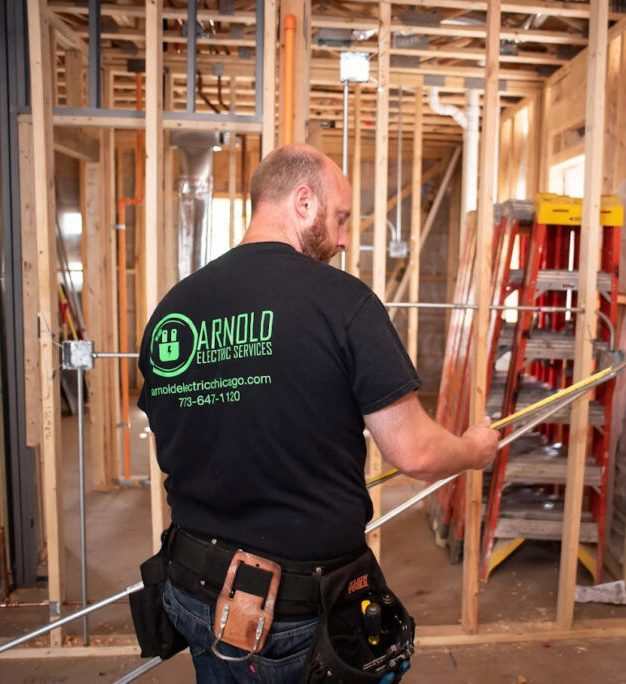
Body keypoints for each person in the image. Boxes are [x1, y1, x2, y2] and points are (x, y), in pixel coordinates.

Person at [137, 144, 499, 683]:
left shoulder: (173, 310)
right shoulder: (342, 302)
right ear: (303, 202)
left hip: (193, 588)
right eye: (341, 218)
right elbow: (415, 452)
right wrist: (474, 450)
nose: (346, 237)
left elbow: (182, 430)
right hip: (286, 611)